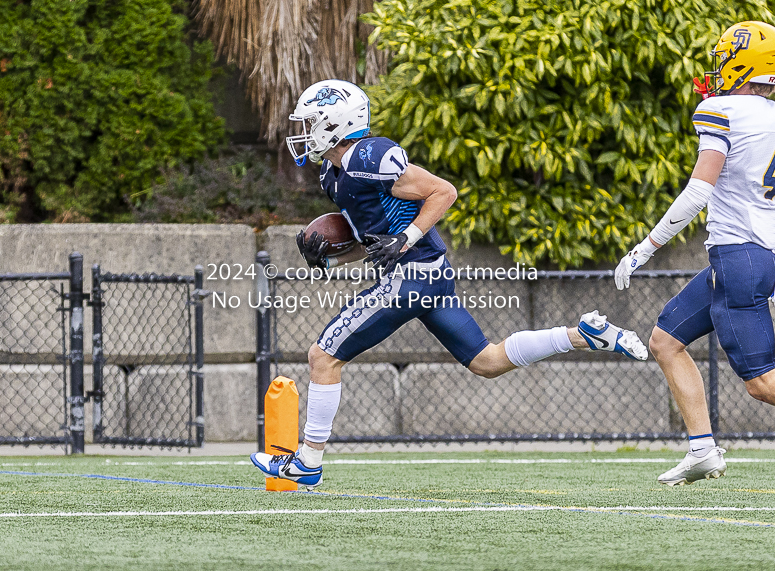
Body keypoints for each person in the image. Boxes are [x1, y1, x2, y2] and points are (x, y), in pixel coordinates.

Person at [251, 79, 648, 488]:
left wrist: (407, 238)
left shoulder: (369, 156)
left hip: (412, 275)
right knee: (486, 362)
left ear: (336, 123)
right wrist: (332, 257)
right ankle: (581, 335)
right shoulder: (332, 175)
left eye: (312, 121)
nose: (303, 130)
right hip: (430, 275)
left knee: (323, 355)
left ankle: (308, 462)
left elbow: (443, 191)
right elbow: (374, 241)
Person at [614, 21, 775, 486]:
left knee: (762, 383)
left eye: (726, 56)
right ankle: (702, 450)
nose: (718, 66)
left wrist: (645, 247)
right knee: (665, 340)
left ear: (744, 62)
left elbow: (697, 192)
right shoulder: (767, 115)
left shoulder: (722, 109)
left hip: (738, 255)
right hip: (753, 254)